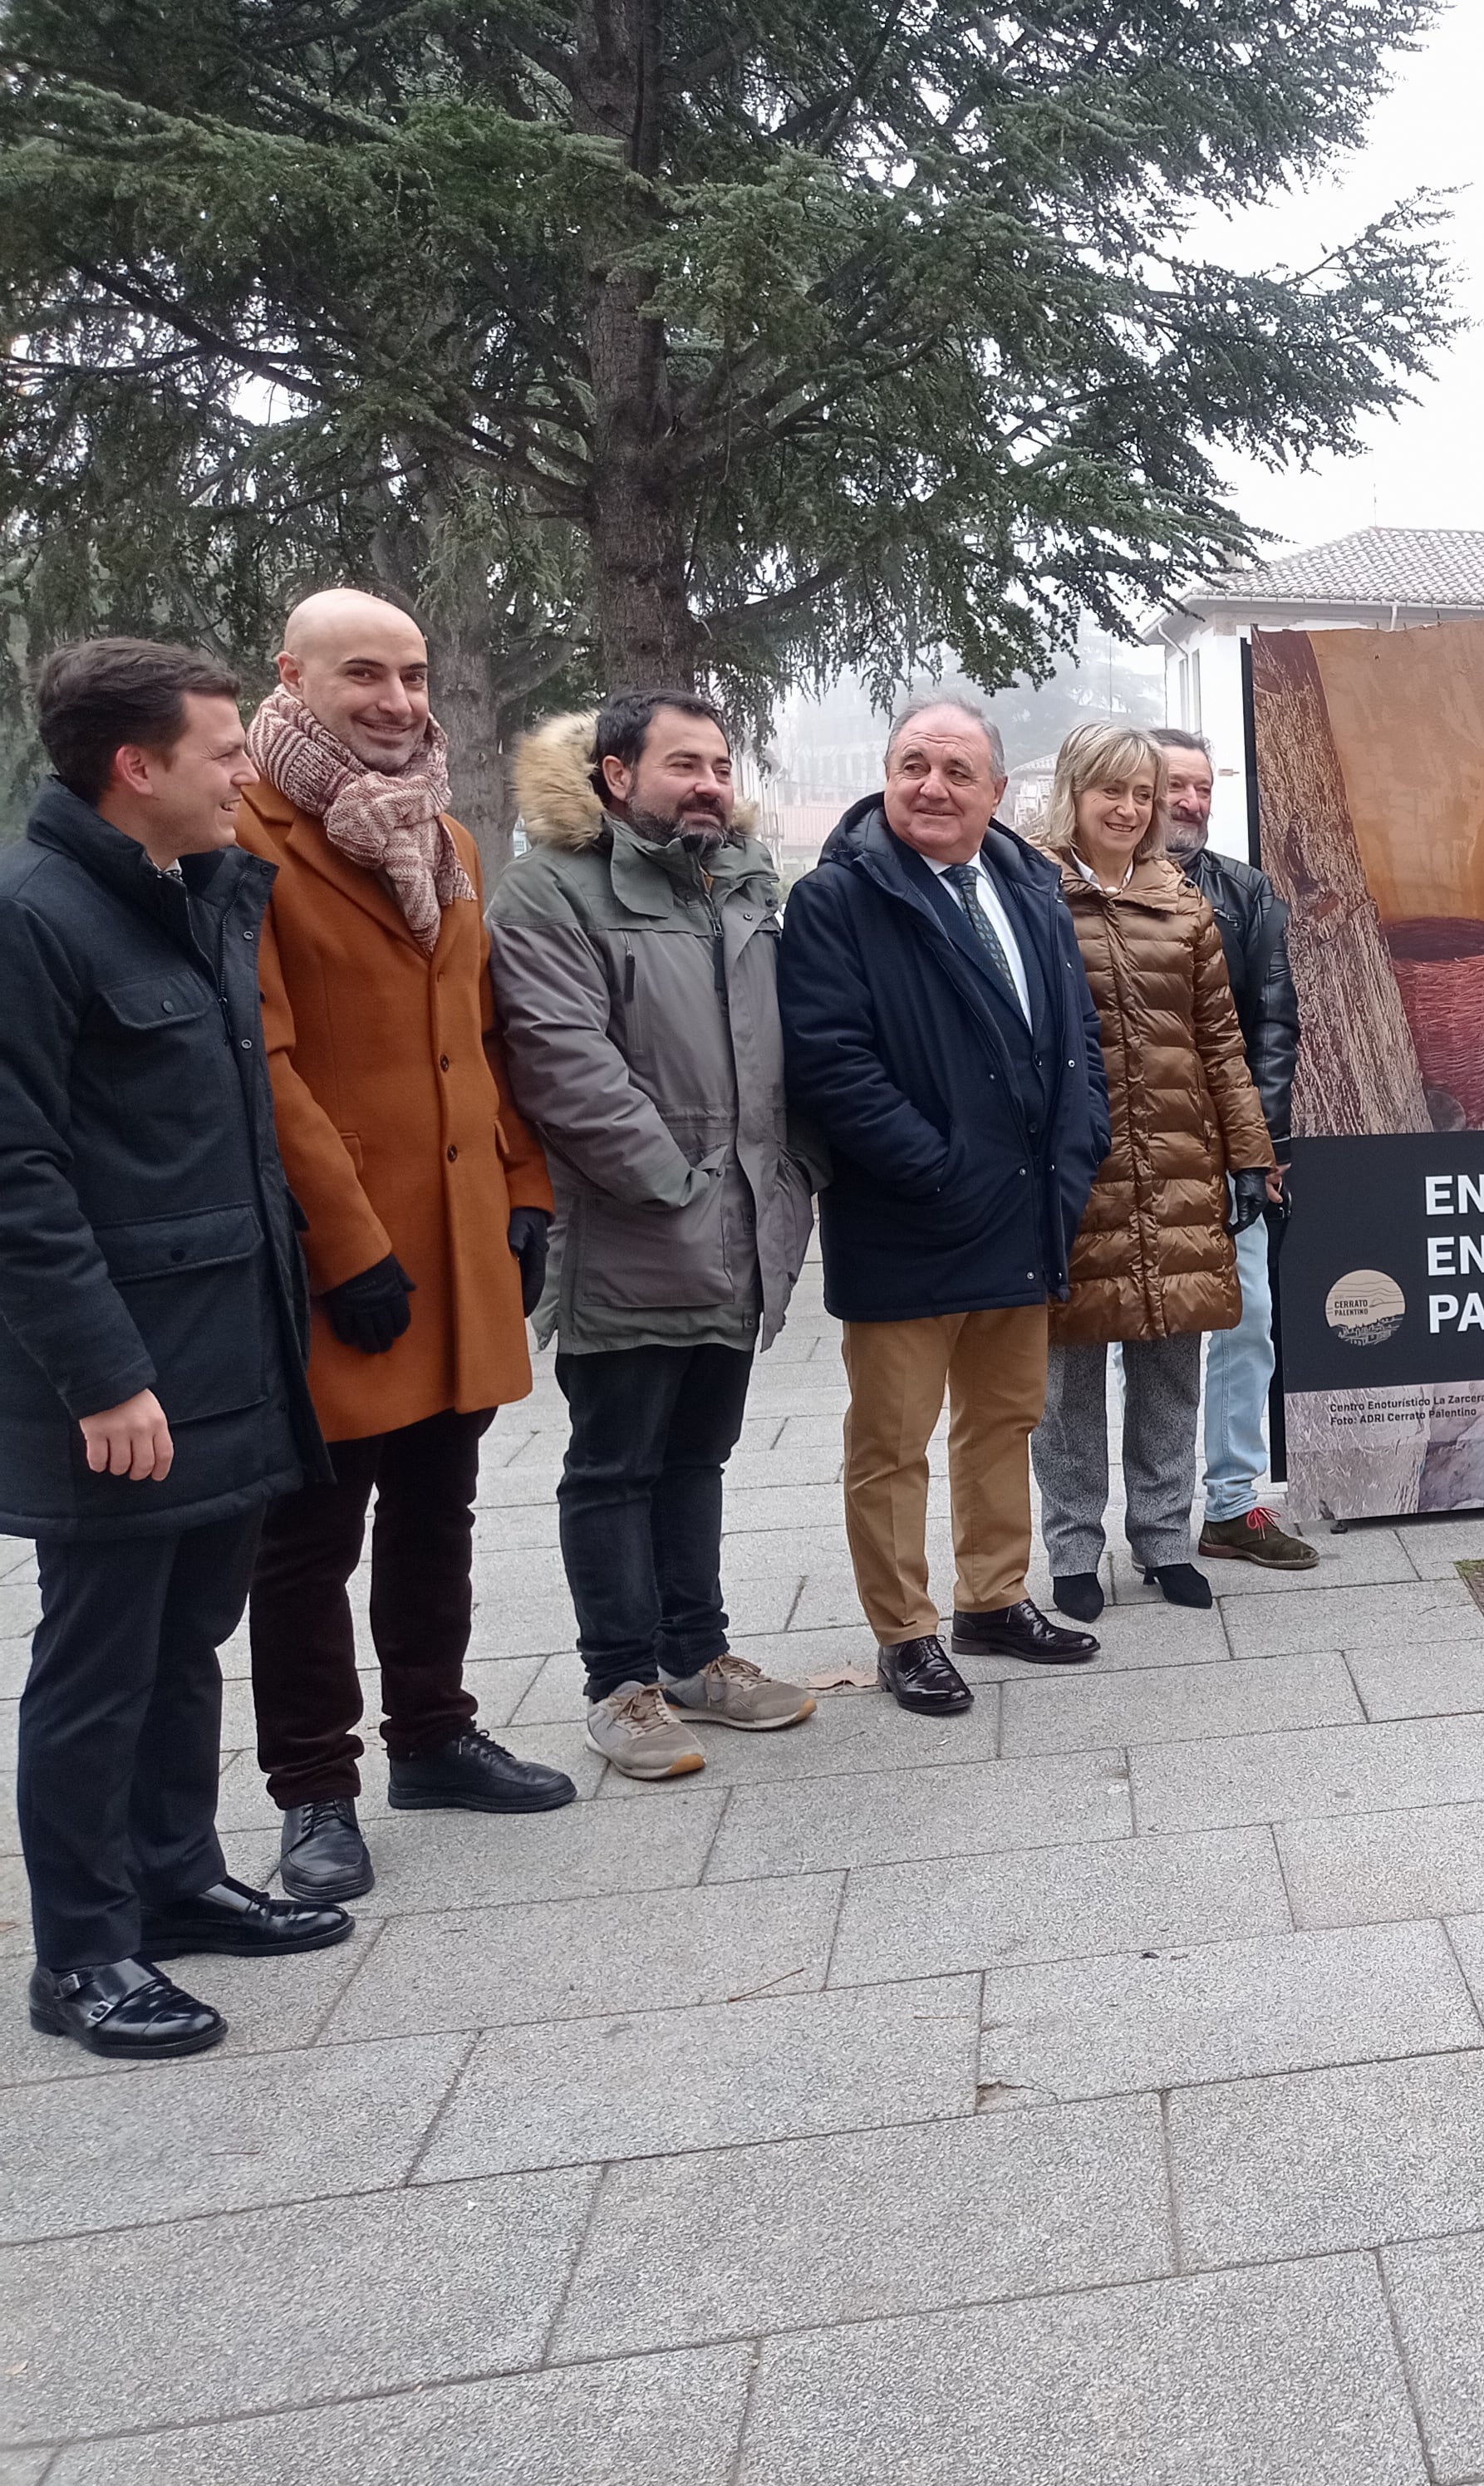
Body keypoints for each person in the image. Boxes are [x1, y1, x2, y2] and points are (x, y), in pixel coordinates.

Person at [2, 640, 352, 2057]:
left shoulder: (180, 899)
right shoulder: (34, 919)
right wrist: (104, 1377)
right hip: (126, 1382)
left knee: (187, 1638)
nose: (243, 772)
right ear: (134, 767)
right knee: (99, 1661)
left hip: (228, 1354)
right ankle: (82, 1953)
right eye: (221, 750)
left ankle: (176, 1875)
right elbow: (16, 1170)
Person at [237, 588, 575, 1904]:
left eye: (414, 673)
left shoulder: (443, 832)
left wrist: (528, 1185)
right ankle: (313, 1790)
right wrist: (346, 1245)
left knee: (442, 1508)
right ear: (294, 679)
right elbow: (263, 1063)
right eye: (363, 675)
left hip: (461, 1238)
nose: (397, 701)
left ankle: (433, 1736)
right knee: (309, 1537)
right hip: (347, 1258)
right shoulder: (245, 836)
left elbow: (484, 1038)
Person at [491, 692, 824, 1781]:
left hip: (743, 1226)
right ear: (615, 775)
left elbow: (787, 1048)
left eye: (721, 764)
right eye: (683, 763)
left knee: (699, 1456)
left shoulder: (741, 887)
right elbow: (560, 1057)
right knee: (614, 1464)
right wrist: (675, 1186)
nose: (708, 784)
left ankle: (696, 1654)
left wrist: (789, 1178)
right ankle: (619, 1683)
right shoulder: (553, 888)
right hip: (633, 1231)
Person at [779, 695, 1113, 1714]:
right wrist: (931, 1166)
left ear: (996, 793)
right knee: (892, 1440)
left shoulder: (1032, 893)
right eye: (914, 764)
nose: (933, 786)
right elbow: (830, 1063)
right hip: (908, 1217)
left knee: (1003, 1418)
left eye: (958, 771)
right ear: (887, 777)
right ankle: (905, 1632)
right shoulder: (839, 900)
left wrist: (1077, 1146)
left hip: (1022, 1212)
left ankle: (993, 1599)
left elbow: (1078, 1043)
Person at [1029, 725, 1279, 1618]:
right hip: (1076, 1176)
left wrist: (1249, 1155)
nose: (1131, 810)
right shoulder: (1031, 895)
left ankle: (1167, 1541)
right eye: (1112, 792)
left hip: (1179, 1163)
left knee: (1173, 1364)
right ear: (1074, 791)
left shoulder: (1183, 902)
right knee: (1069, 1379)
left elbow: (1220, 1042)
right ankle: (1070, 1550)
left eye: (1141, 794)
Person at [1157, 728, 1317, 1571]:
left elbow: (1274, 1023)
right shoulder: (1069, 886)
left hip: (1229, 1148)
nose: (1190, 802)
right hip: (1125, 1155)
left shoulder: (1245, 890)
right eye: (1173, 785)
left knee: (1247, 1317)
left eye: (1202, 788)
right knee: (1134, 1344)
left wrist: (1268, 1142)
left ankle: (1230, 1503)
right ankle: (1141, 1522)